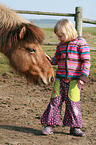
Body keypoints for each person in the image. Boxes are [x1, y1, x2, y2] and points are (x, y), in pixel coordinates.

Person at [41, 19, 90, 137]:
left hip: (74, 81)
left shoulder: (81, 43)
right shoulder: (60, 45)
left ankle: (75, 127)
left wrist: (83, 76)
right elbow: (56, 60)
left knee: (73, 104)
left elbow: (86, 61)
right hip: (60, 79)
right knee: (54, 102)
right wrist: (50, 60)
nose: (59, 39)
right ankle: (49, 125)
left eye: (60, 36)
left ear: (68, 32)